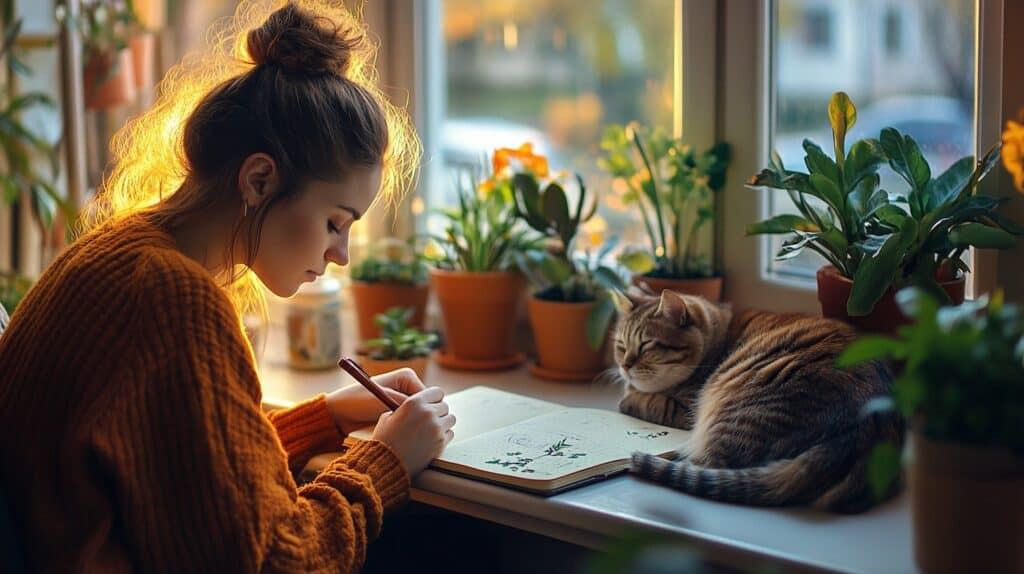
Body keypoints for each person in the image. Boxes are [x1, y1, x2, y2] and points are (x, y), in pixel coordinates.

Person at [0, 2, 452, 572]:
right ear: (258, 180)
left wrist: (326, 418)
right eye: (336, 222)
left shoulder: (120, 254)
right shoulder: (175, 301)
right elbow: (275, 561)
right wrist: (382, 461)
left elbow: (190, 473)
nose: (339, 254)